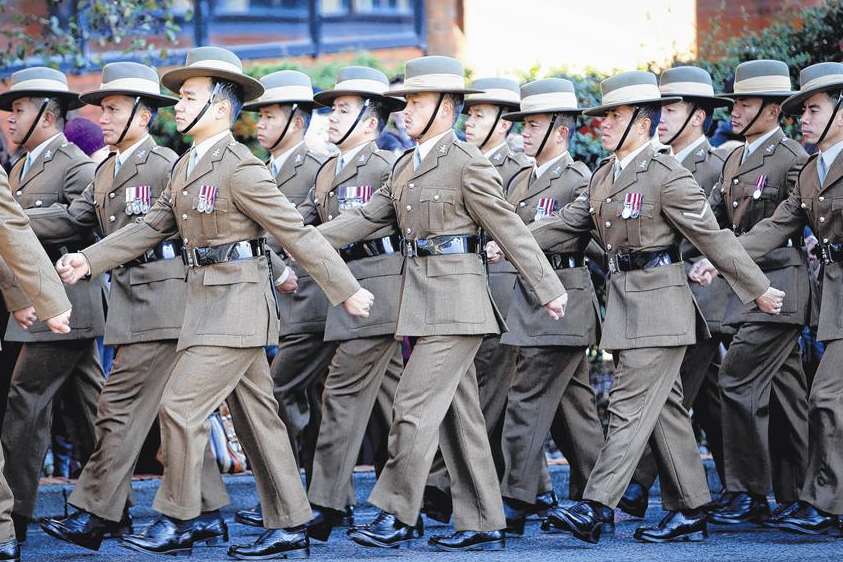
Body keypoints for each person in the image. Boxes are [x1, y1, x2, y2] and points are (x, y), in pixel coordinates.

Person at [54, 46, 373, 559]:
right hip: (206, 305)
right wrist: (87, 261)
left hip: (237, 307)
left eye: (188, 98)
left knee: (180, 408)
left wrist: (347, 290)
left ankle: (180, 518)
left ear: (220, 109)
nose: (177, 107)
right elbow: (150, 227)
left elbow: (296, 234)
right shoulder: (186, 167)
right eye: (180, 98)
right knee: (258, 420)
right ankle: (291, 522)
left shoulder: (240, 168)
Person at [316, 55, 567, 552]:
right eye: (406, 101)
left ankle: (396, 511)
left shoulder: (467, 162)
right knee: (460, 418)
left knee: (410, 406)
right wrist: (302, 240)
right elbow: (366, 217)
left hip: (457, 305)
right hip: (421, 302)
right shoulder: (407, 164)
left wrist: (548, 288)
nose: (405, 110)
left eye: (416, 101)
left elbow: (509, 229)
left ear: (446, 109)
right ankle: (483, 522)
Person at [530, 70, 782, 544]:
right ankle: (692, 509)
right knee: (664, 410)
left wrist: (757, 288)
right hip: (628, 304)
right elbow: (568, 225)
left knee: (627, 404)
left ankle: (595, 506)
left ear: (642, 124)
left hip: (662, 308)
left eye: (615, 116)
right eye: (603, 115)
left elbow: (713, 238)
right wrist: (513, 241)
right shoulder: (606, 174)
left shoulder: (668, 176)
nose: (603, 124)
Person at [28, 61, 229, 552]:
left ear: (144, 115)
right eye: (102, 109)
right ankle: (205, 512)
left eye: (115, 109)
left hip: (165, 300)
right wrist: (16, 221)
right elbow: (76, 219)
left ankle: (96, 513)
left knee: (118, 408)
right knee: (169, 414)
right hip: (131, 300)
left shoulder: (164, 164)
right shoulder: (106, 168)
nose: (104, 118)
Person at [694, 61, 843, 535]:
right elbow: (776, 224)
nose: (805, 118)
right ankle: (811, 498)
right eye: (802, 110)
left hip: (790, 290)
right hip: (828, 298)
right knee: (810, 398)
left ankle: (810, 500)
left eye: (814, 109)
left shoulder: (802, 160)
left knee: (822, 398)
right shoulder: (815, 170)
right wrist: (720, 259)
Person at [488, 78, 605, 534]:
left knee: (526, 398)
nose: (523, 133)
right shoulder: (521, 178)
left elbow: (591, 242)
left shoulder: (578, 178)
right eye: (523, 125)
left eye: (533, 125)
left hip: (563, 299)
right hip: (533, 303)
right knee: (574, 410)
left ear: (560, 129)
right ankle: (598, 500)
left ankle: (517, 496)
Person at [296, 65, 406, 541]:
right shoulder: (326, 172)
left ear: (369, 120)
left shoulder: (386, 167)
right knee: (392, 405)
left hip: (378, 289)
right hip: (345, 290)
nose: (331, 119)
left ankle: (326, 503)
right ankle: (417, 497)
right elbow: (298, 223)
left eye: (342, 110)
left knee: (341, 396)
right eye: (332, 110)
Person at [620, 65, 733, 516]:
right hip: (663, 295)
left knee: (667, 392)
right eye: (660, 107)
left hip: (704, 296)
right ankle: (744, 488)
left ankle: (635, 485)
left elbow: (725, 233)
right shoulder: (650, 164)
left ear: (699, 115)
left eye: (673, 108)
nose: (662, 116)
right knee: (708, 397)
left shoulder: (719, 164)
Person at [0, 66, 105, 542]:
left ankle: (15, 515)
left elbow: (80, 225)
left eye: (19, 109)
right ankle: (111, 502)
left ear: (49, 113)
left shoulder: (77, 164)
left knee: (26, 403)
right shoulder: (20, 166)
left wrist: (18, 223)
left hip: (62, 304)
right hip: (50, 309)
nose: (9, 119)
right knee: (97, 409)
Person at [703, 60, 810, 527]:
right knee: (789, 397)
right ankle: (809, 493)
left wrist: (722, 256)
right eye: (735, 102)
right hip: (743, 289)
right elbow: (709, 220)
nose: (737, 110)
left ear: (772, 110)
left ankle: (749, 493)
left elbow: (788, 224)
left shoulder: (792, 158)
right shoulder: (733, 159)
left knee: (736, 379)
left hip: (779, 285)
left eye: (745, 103)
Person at [422, 76, 532, 524]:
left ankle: (498, 493)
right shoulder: (457, 159)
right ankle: (492, 497)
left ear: (504, 124)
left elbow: (515, 229)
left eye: (482, 115)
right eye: (470, 113)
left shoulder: (518, 167)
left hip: (504, 286)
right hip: (465, 288)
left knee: (492, 397)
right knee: (470, 398)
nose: (471, 122)